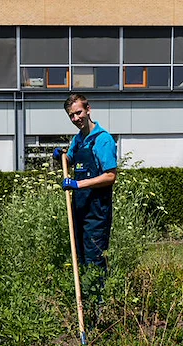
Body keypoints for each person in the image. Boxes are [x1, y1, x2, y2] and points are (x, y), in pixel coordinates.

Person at [53, 93, 118, 271]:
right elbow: (70, 161)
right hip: (80, 207)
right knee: (80, 255)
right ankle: (84, 297)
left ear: (88, 109)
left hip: (97, 211)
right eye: (71, 115)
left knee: (95, 257)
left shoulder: (103, 140)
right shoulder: (79, 139)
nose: (76, 118)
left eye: (78, 112)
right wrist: (61, 158)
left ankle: (98, 298)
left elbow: (110, 176)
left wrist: (78, 184)